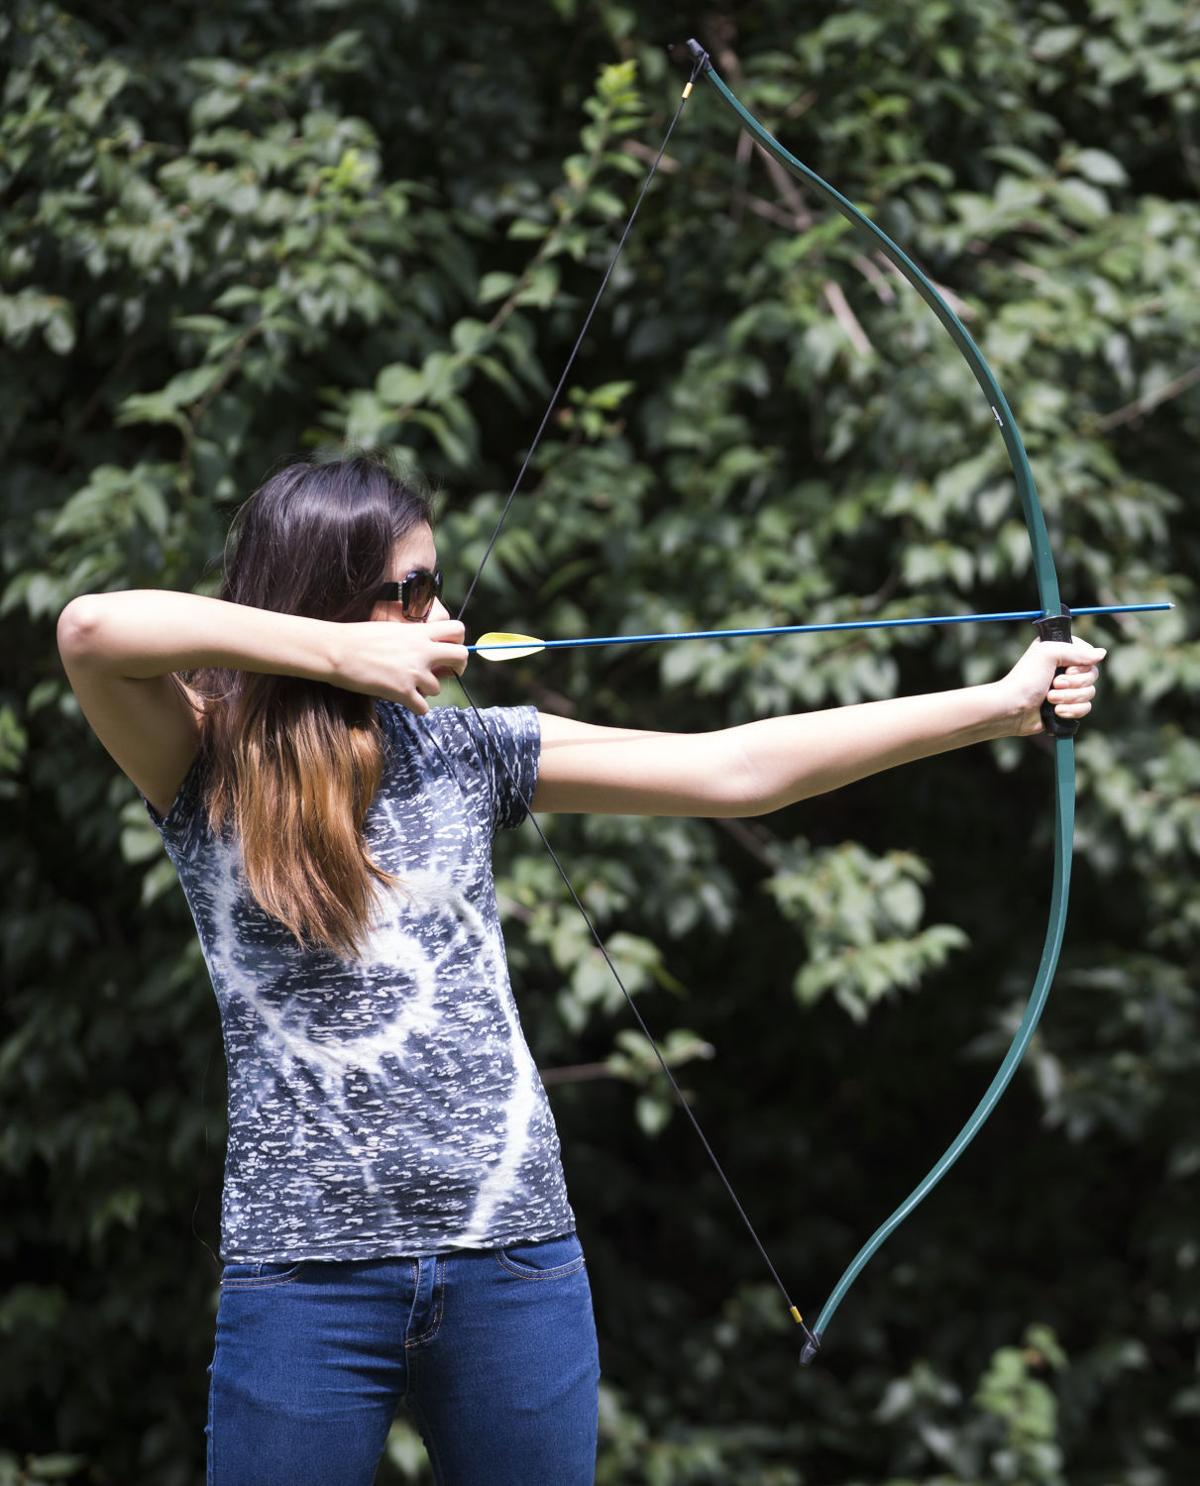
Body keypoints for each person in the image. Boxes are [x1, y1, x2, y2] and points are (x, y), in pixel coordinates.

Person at [55, 450, 1106, 1486]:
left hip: (511, 1264)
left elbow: (733, 769)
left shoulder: (471, 752)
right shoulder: (203, 763)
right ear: (326, 599)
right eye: (410, 592)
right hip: (303, 1275)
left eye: (439, 584)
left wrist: (1001, 705)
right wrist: (335, 654)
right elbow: (92, 630)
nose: (444, 619)